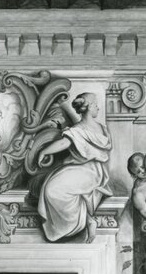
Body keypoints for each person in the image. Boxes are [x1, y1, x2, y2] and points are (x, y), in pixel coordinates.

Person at [36, 92, 113, 242]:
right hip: (85, 169)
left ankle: (86, 220)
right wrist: (44, 151)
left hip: (90, 172)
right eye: (95, 104)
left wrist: (44, 151)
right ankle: (88, 219)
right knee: (51, 184)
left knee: (52, 189)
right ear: (89, 107)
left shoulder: (90, 129)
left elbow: (65, 143)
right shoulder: (82, 129)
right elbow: (64, 143)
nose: (98, 107)